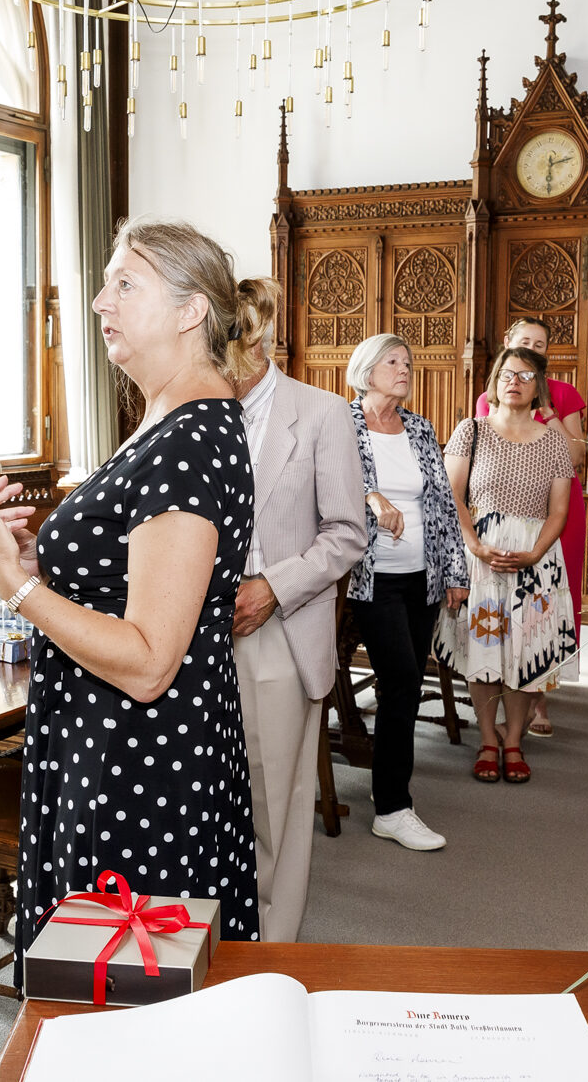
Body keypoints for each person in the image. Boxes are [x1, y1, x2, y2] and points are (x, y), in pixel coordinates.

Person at [0, 217, 259, 955]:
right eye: (105, 284)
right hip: (108, 740)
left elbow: (150, 659)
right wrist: (42, 564)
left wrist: (13, 587)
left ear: (191, 312)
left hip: (136, 762)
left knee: (124, 994)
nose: (99, 302)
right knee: (106, 985)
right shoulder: (163, 415)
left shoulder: (188, 442)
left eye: (125, 284)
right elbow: (133, 577)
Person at [226, 277, 366, 942]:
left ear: (254, 343)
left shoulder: (320, 412)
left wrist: (272, 587)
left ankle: (271, 952)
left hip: (277, 628)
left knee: (272, 800)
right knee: (215, 796)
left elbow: (346, 533)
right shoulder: (191, 412)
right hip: (190, 634)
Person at [344, 334, 471, 850]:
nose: (404, 368)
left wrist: (456, 570)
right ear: (366, 370)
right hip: (368, 578)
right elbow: (321, 483)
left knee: (406, 682)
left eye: (408, 362)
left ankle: (390, 795)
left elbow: (442, 502)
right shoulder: (342, 424)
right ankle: (393, 807)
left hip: (423, 575)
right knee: (400, 681)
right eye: (393, 361)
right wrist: (371, 497)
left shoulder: (419, 428)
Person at [443, 346, 579, 785]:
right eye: (506, 373)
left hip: (535, 558)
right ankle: (487, 738)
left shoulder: (555, 440)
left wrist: (536, 552)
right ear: (494, 382)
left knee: (527, 651)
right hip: (480, 555)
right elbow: (453, 497)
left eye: (524, 375)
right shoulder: (472, 430)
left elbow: (559, 511)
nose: (514, 381)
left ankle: (515, 739)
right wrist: (476, 547)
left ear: (539, 386)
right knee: (483, 649)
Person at [476, 316, 587, 738]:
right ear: (507, 343)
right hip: (500, 508)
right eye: (525, 342)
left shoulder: (563, 393)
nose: (533, 349)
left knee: (545, 605)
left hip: (556, 508)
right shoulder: (493, 393)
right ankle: (501, 699)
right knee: (500, 610)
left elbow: (574, 456)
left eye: (540, 345)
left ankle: (539, 697)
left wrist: (546, 412)